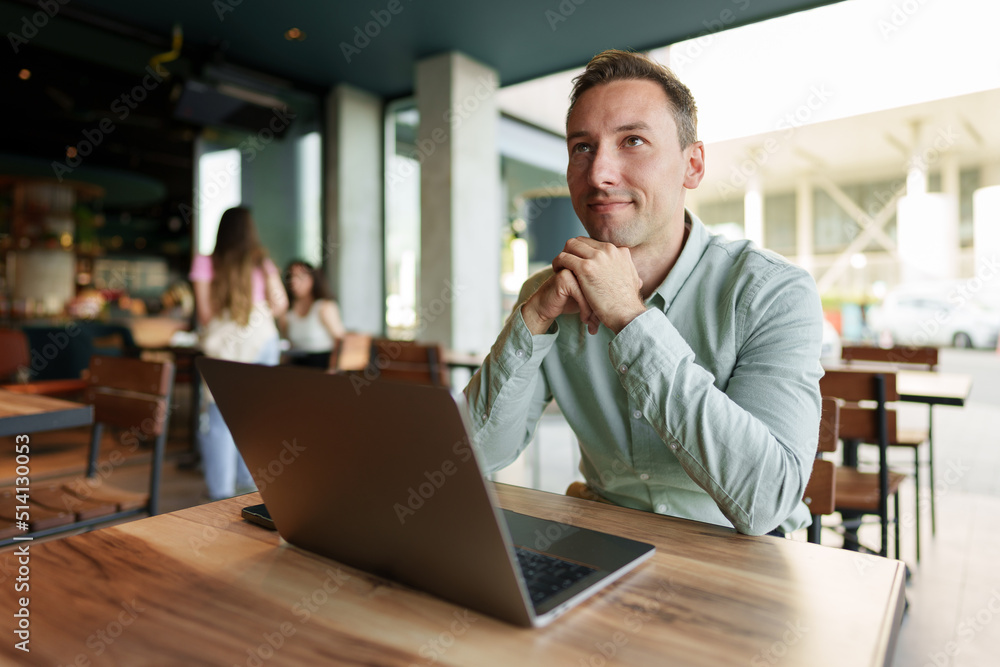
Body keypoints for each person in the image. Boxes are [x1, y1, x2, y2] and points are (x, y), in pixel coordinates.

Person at [464, 50, 824, 536]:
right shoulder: (548, 296)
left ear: (692, 166)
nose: (598, 174)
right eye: (582, 147)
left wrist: (631, 321)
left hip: (741, 554)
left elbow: (767, 501)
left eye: (632, 141)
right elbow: (473, 458)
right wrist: (533, 318)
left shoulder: (773, 292)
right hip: (603, 538)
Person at [189, 206, 288, 500]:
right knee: (256, 416)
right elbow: (280, 304)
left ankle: (220, 493)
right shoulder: (261, 261)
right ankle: (251, 486)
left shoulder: (206, 262)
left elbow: (205, 314)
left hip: (224, 346)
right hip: (262, 339)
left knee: (220, 418)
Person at [281, 260, 346, 368]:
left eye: (300, 277)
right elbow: (288, 345)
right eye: (291, 277)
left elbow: (341, 340)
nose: (294, 281)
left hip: (322, 364)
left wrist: (334, 368)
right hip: (297, 365)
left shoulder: (324, 307)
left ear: (313, 279)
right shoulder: (287, 312)